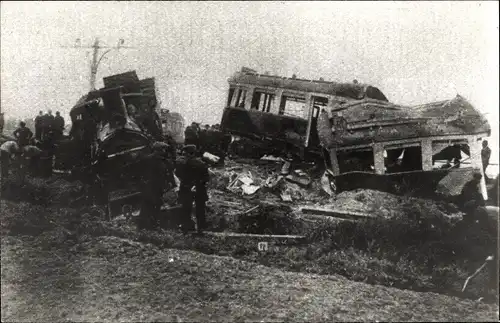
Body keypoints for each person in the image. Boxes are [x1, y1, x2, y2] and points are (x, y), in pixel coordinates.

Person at [175, 144, 209, 234]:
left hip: (186, 188)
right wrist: (198, 184)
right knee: (200, 209)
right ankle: (201, 228)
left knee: (186, 208)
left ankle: (186, 228)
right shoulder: (202, 163)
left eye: (184, 153)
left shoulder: (183, 163)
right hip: (200, 189)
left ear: (187, 153)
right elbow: (206, 178)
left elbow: (178, 174)